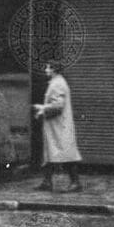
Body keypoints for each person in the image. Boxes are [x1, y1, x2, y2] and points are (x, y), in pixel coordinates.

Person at [33, 61, 82, 193]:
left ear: (54, 70)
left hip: (60, 126)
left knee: (65, 154)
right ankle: (47, 182)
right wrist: (43, 112)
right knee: (50, 153)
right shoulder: (57, 82)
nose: (46, 70)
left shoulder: (58, 83)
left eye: (48, 68)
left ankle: (75, 182)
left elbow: (59, 105)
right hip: (55, 126)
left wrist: (42, 107)